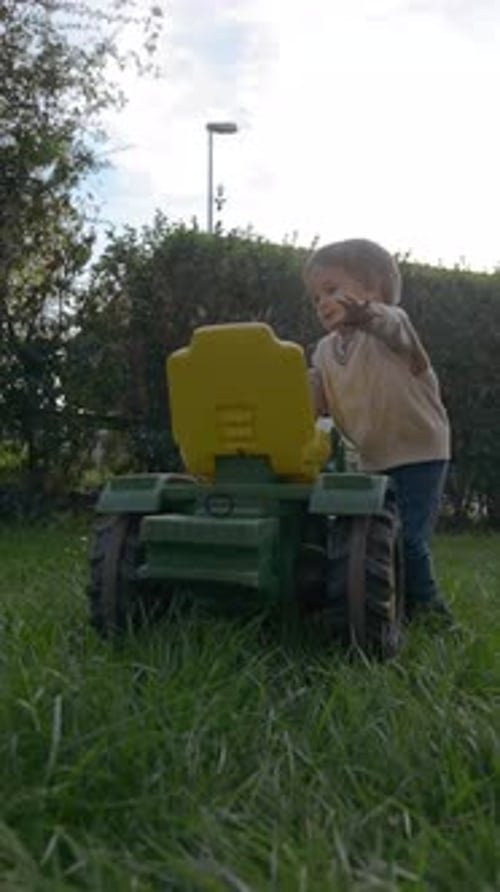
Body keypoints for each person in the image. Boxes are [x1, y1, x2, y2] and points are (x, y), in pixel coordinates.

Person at [304, 237, 453, 623]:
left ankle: (431, 611)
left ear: (372, 291)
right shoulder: (322, 350)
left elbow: (387, 325)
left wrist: (366, 315)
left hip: (419, 450)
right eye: (315, 296)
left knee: (408, 538)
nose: (321, 302)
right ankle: (383, 602)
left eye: (331, 289)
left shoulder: (392, 325)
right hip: (372, 457)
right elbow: (315, 400)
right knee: (372, 537)